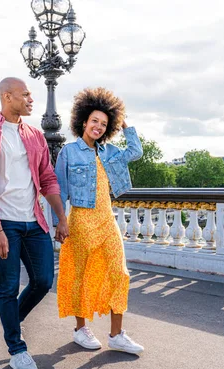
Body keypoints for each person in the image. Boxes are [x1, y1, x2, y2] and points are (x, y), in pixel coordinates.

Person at [0, 77, 69, 369]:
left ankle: (12, 320)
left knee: (43, 282)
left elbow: (48, 179)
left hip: (33, 220)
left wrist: (61, 218)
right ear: (6, 96)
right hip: (3, 223)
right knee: (8, 286)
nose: (30, 99)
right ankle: (17, 347)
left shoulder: (35, 135)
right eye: (25, 94)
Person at [53, 87, 144, 355]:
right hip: (80, 220)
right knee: (81, 275)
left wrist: (124, 122)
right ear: (83, 121)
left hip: (107, 220)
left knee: (119, 273)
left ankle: (117, 335)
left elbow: (136, 151)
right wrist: (60, 221)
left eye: (105, 124)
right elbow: (58, 190)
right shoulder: (68, 153)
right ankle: (81, 329)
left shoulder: (111, 152)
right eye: (95, 121)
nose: (99, 127)